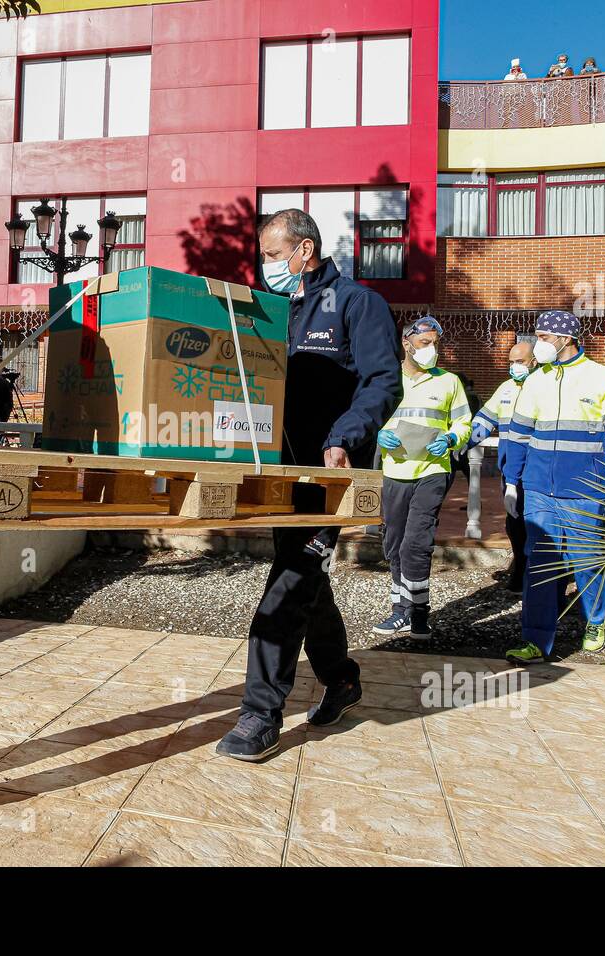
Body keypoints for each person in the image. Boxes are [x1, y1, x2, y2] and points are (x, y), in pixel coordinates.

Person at [215, 208, 401, 761]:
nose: (265, 265)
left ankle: (259, 713)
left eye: (273, 255)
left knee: (288, 585)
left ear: (304, 250)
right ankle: (340, 679)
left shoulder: (355, 304)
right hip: (279, 473)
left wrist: (345, 434)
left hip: (330, 475)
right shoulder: (272, 312)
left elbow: (382, 380)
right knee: (308, 579)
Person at [502, 311, 605, 664]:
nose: (538, 344)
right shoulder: (535, 381)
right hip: (538, 490)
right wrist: (511, 482)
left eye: (544, 337)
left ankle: (597, 619)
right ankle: (536, 640)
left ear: (566, 339)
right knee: (540, 564)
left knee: (587, 559)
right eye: (537, 337)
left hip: (585, 488)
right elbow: (517, 436)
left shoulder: (603, 378)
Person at [371, 317, 472, 640]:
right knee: (395, 542)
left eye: (436, 344)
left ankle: (415, 613)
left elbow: (463, 424)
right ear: (407, 343)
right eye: (425, 343)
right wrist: (379, 434)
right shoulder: (387, 380)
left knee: (417, 543)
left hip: (433, 470)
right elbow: (370, 416)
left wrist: (452, 439)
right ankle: (400, 607)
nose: (432, 350)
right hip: (395, 470)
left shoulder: (450, 383)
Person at [466, 341, 536, 592]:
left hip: (538, 468)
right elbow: (484, 420)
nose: (514, 367)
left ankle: (536, 573)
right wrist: (461, 442)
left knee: (537, 522)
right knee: (514, 522)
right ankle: (520, 566)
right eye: (511, 362)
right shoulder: (505, 389)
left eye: (520, 362)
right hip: (510, 471)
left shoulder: (544, 386)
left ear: (534, 361)